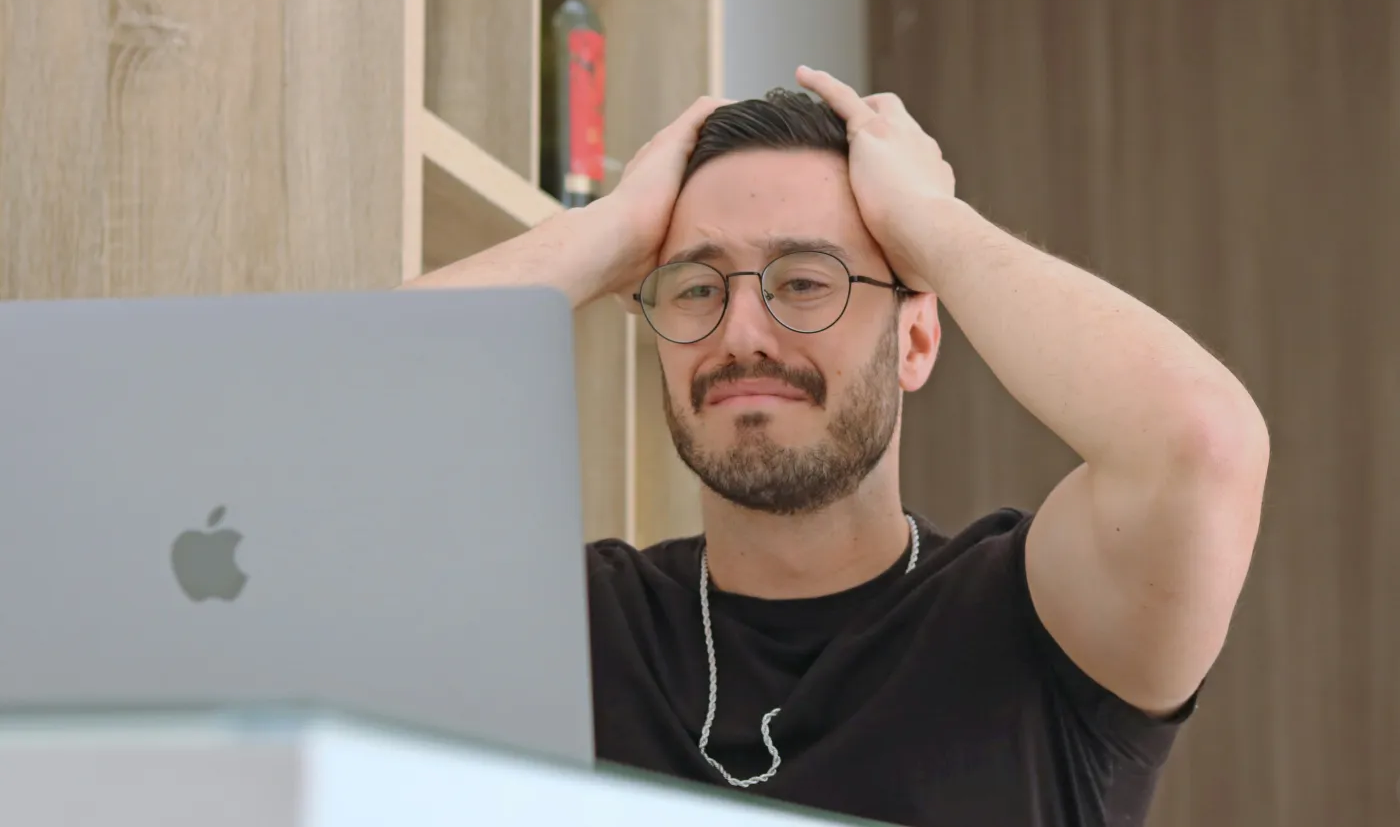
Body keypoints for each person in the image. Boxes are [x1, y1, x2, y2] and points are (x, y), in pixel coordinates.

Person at [404, 67, 1270, 827]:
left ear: (916, 341)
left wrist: (931, 221)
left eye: (805, 281)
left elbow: (1200, 441)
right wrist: (613, 230)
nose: (742, 333)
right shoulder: (575, 631)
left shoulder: (1042, 628)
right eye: (698, 288)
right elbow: (335, 437)